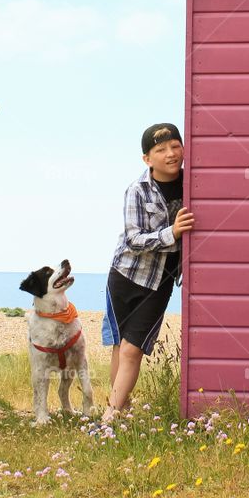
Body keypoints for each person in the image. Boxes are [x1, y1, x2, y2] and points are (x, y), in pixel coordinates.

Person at [99, 123, 194, 425]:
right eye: (161, 150)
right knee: (120, 347)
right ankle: (119, 409)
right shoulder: (137, 190)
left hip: (159, 282)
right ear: (147, 159)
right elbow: (133, 239)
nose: (170, 154)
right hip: (125, 275)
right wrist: (173, 233)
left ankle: (110, 416)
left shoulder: (194, 183)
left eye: (175, 146)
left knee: (132, 349)